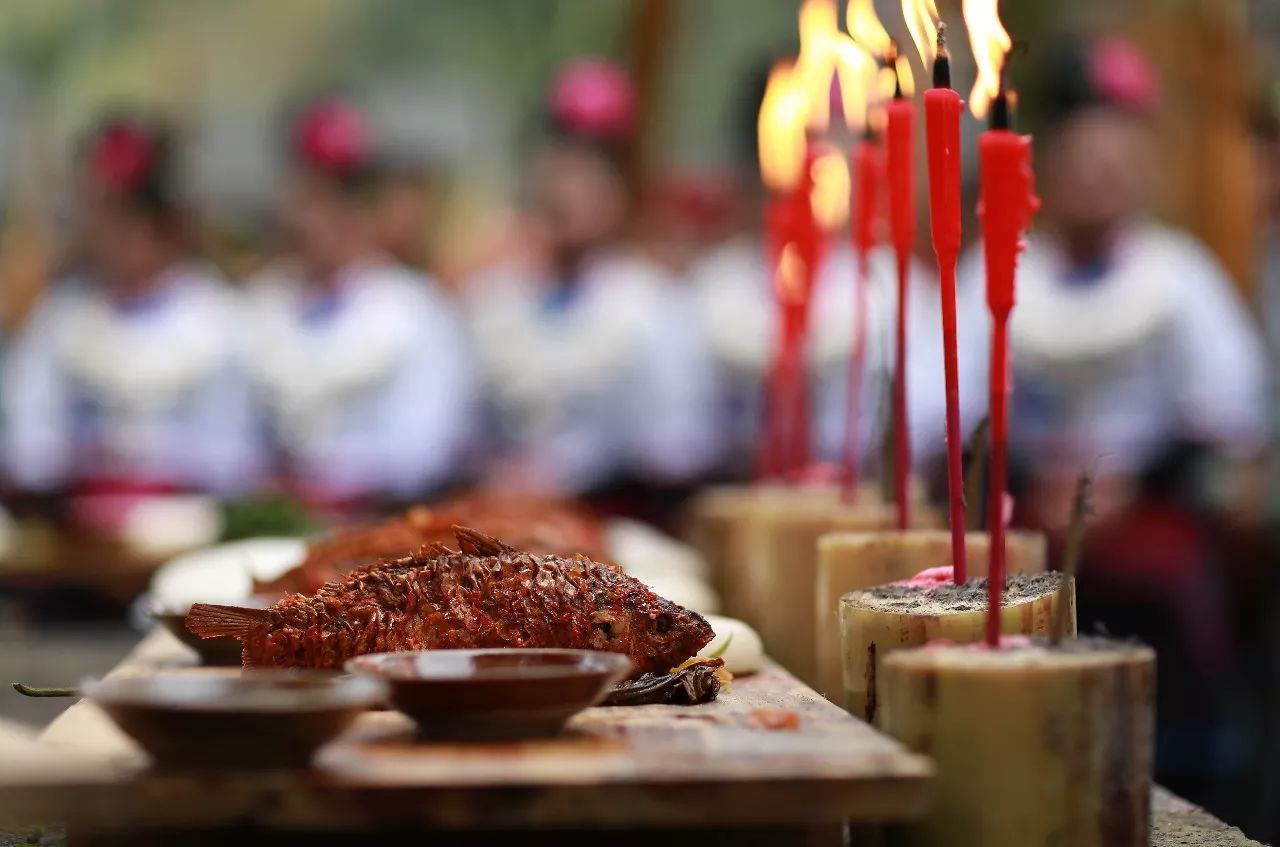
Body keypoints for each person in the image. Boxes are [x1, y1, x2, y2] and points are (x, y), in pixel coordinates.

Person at [461, 60, 719, 495]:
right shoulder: (494, 297)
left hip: (611, 523)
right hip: (502, 519)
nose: (567, 188)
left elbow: (679, 447)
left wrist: (585, 468)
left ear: (620, 188)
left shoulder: (657, 306)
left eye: (590, 169)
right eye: (559, 163)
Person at [2, 117, 260, 499]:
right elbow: (31, 434)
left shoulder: (219, 317)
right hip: (78, 526)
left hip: (187, 519)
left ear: (162, 225)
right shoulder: (62, 312)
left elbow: (232, 455)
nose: (99, 231)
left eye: (119, 217)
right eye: (96, 214)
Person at [243, 99, 473, 505]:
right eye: (302, 197)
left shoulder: (418, 310)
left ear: (359, 210)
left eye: (323, 201)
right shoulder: (262, 301)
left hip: (378, 525)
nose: (305, 219)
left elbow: (423, 452)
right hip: (275, 516)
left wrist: (324, 478)